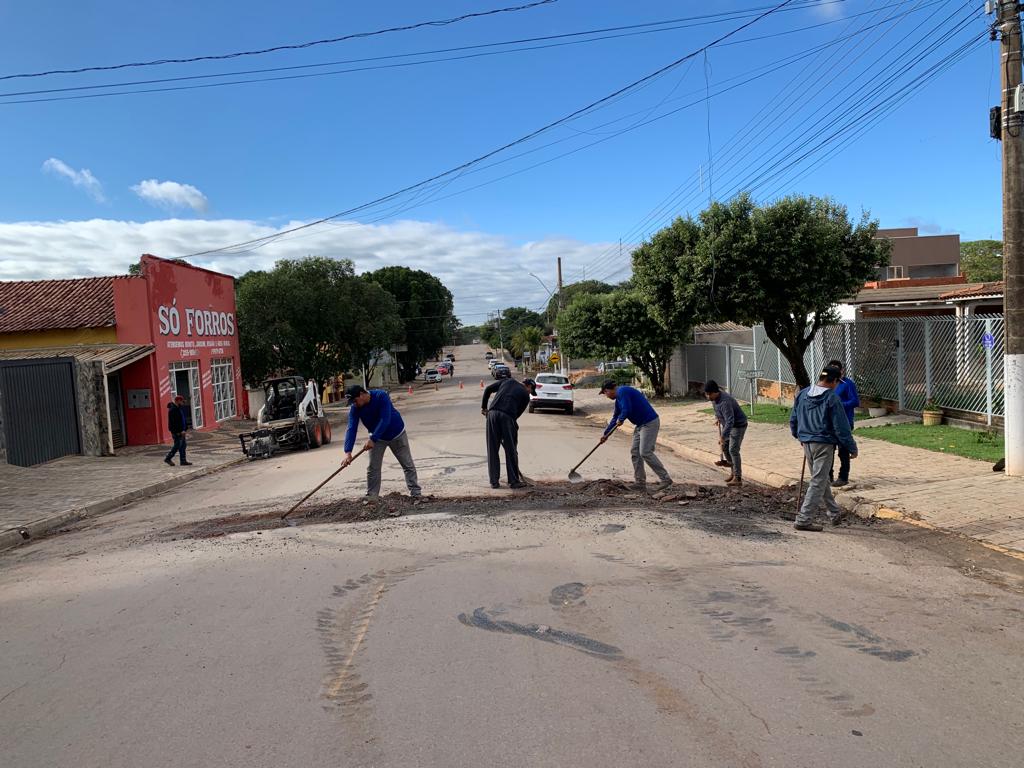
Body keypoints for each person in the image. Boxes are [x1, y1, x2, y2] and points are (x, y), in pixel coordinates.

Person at [789, 366, 858, 532]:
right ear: (834, 381)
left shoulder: (803, 394)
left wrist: (799, 436)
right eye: (837, 382)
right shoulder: (832, 398)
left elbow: (794, 419)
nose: (836, 385)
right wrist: (851, 447)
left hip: (807, 443)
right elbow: (841, 427)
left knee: (821, 479)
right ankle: (804, 519)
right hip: (824, 444)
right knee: (818, 481)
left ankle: (834, 513)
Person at [342, 385, 422, 501]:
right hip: (377, 439)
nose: (354, 404)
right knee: (373, 468)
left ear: (361, 394)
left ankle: (416, 493)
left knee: (407, 464)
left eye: (355, 401)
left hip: (396, 434)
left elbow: (385, 419)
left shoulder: (381, 396)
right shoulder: (355, 408)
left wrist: (373, 438)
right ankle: (372, 496)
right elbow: (351, 428)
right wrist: (348, 452)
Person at [598, 381, 672, 492]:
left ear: (608, 390)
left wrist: (622, 418)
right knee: (635, 452)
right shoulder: (618, 400)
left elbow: (627, 409)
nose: (606, 396)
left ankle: (665, 479)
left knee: (645, 452)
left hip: (649, 422)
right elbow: (615, 417)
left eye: (605, 393)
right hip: (640, 425)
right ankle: (640, 483)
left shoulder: (623, 391)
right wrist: (606, 434)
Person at [481, 377, 536, 489]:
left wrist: (484, 408)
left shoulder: (507, 381)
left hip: (491, 414)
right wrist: (510, 431)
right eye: (531, 390)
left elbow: (487, 389)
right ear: (529, 386)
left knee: (492, 449)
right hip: (507, 417)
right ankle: (513, 481)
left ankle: (494, 482)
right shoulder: (525, 396)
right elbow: (515, 416)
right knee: (511, 450)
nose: (530, 393)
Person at [704, 380, 748, 486]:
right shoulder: (714, 400)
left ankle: (738, 478)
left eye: (710, 394)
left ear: (716, 392)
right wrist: (718, 418)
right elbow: (717, 411)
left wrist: (723, 436)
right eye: (706, 394)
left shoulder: (725, 401)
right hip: (728, 425)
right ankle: (733, 473)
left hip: (738, 425)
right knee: (725, 448)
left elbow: (730, 421)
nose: (708, 396)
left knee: (733, 449)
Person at [828, 359, 860, 487]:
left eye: (837, 369)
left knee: (843, 451)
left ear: (842, 371)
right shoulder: (828, 384)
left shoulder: (847, 384)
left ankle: (843, 476)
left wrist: (840, 405)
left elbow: (855, 401)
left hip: (844, 421)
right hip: (830, 423)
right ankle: (828, 476)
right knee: (828, 450)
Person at [164, 395, 193, 467]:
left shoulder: (178, 408)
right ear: (178, 401)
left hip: (182, 431)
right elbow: (174, 423)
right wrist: (180, 431)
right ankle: (168, 458)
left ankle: (183, 460)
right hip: (177, 432)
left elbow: (182, 420)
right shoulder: (173, 410)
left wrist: (185, 428)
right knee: (177, 445)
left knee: (183, 445)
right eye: (182, 401)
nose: (183, 403)